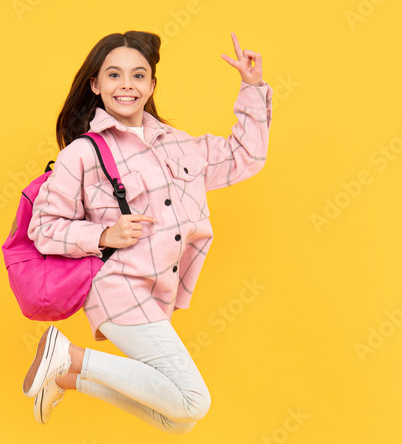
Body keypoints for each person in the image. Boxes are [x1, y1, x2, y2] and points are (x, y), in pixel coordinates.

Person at [21, 30, 272, 434]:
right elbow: (44, 228)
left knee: (177, 421)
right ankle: (69, 354)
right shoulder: (83, 154)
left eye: (138, 76)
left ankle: (69, 376)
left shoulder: (178, 145)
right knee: (194, 401)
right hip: (115, 288)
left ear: (151, 85)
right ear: (95, 85)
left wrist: (252, 87)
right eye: (114, 75)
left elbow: (246, 157)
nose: (126, 85)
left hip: (157, 294)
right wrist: (103, 235)